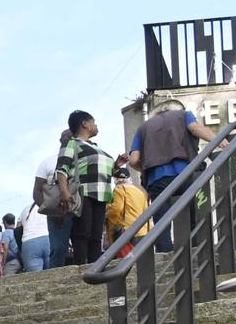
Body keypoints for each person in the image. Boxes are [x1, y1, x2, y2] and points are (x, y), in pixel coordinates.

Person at [126, 98, 215, 250]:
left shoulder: (143, 128)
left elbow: (133, 160)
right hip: (186, 174)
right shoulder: (184, 115)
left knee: (162, 221)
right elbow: (195, 128)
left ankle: (164, 256)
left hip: (157, 180)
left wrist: (147, 168)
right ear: (177, 108)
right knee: (194, 214)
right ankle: (195, 250)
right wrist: (220, 141)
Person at [57, 110, 116, 266]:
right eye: (93, 122)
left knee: (96, 235)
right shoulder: (72, 143)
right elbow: (61, 168)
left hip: (102, 193)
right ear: (85, 124)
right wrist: (64, 191)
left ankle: (95, 266)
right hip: (83, 192)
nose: (96, 126)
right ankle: (81, 266)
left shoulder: (95, 147)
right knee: (82, 232)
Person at [34, 133, 74, 269]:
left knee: (83, 248)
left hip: (79, 209)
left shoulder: (81, 160)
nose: (69, 141)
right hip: (58, 212)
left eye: (72, 138)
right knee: (58, 250)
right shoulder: (47, 163)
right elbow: (37, 192)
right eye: (66, 138)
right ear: (60, 140)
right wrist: (52, 213)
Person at [106, 164, 151, 256]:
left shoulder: (119, 189)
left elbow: (117, 209)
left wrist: (107, 215)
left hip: (126, 231)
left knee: (125, 259)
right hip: (142, 231)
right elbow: (146, 212)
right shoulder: (140, 192)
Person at [19, 193, 52, 272]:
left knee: (34, 278)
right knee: (52, 275)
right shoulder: (52, 205)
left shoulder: (26, 209)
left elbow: (18, 228)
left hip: (29, 242)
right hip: (48, 239)